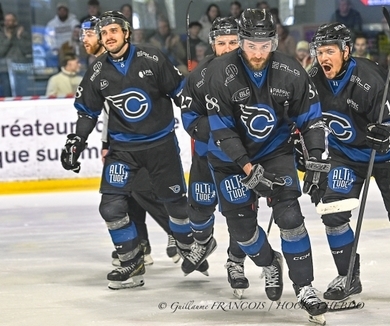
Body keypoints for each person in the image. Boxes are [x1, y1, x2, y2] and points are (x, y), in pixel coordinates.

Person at [203, 8, 328, 323]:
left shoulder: (290, 70)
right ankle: (270, 262)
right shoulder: (220, 72)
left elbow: (311, 119)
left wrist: (315, 157)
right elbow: (222, 130)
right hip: (230, 162)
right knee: (243, 232)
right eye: (251, 45)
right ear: (242, 42)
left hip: (275, 153)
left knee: (290, 216)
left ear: (273, 41)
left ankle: (305, 288)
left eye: (264, 45)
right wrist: (248, 170)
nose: (258, 53)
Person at [306, 22, 390, 301]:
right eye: (319, 51)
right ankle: (347, 275)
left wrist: (387, 134)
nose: (323, 58)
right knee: (332, 212)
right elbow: (305, 120)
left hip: (388, 156)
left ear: (346, 51)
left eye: (329, 51)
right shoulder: (313, 78)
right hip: (346, 156)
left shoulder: (370, 78)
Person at [59, 11, 191, 290]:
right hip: (122, 150)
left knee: (175, 204)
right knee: (111, 205)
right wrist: (76, 143)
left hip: (160, 145)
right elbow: (87, 113)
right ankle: (132, 261)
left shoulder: (151, 57)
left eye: (114, 31)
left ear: (126, 33)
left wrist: (200, 124)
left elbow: (180, 92)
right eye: (104, 33)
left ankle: (188, 243)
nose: (108, 37)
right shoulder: (97, 71)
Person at [179, 16, 251, 297]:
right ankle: (203, 241)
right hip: (207, 154)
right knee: (199, 204)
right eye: (221, 43)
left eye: (233, 42)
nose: (228, 47)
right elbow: (188, 115)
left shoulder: (256, 73)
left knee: (239, 214)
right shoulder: (199, 76)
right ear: (212, 45)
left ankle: (236, 261)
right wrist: (218, 130)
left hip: (240, 160)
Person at [0, 12, 32, 97]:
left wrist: (19, 38)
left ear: (15, 22)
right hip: (5, 69)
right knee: (7, 92)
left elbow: (27, 50)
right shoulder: (1, 35)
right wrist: (9, 39)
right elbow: (1, 53)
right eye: (6, 21)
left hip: (21, 67)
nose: (8, 23)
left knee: (23, 92)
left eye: (10, 20)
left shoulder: (23, 34)